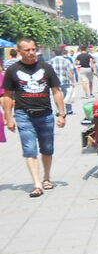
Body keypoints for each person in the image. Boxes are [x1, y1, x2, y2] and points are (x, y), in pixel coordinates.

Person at [1, 37, 67, 197]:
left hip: (45, 114)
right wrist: (9, 118)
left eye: (33, 49)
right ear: (19, 51)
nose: (32, 53)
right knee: (29, 149)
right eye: (27, 50)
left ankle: (47, 177)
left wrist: (62, 113)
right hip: (24, 115)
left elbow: (56, 91)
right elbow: (7, 95)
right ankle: (37, 184)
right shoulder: (13, 70)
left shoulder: (46, 67)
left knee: (47, 149)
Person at [48, 47, 77, 115]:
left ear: (54, 53)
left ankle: (58, 110)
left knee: (56, 95)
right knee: (67, 95)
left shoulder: (51, 61)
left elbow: (48, 72)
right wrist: (72, 81)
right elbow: (70, 72)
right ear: (62, 53)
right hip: (65, 81)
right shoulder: (66, 61)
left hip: (54, 82)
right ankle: (69, 110)